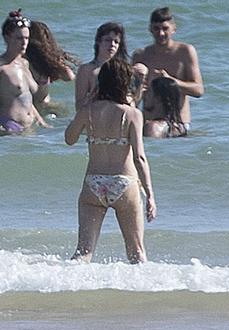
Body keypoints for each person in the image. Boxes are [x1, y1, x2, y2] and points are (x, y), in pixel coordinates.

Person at [65, 58, 156, 264]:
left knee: (83, 252)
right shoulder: (132, 114)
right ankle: (142, 292)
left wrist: (86, 104)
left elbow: (69, 139)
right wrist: (150, 195)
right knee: (136, 252)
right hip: (124, 183)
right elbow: (139, 157)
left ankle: (65, 285)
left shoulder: (88, 111)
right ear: (125, 82)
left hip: (93, 184)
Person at [131, 7, 203, 138]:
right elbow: (131, 97)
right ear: (150, 29)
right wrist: (140, 86)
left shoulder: (185, 52)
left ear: (173, 28)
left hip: (177, 123)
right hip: (148, 122)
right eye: (156, 29)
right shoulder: (140, 56)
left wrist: (172, 82)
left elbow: (198, 90)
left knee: (152, 130)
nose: (161, 33)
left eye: (165, 28)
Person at [0, 10, 48, 135]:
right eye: (19, 38)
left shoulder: (25, 63)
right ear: (7, 37)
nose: (24, 42)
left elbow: (25, 98)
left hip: (29, 126)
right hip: (9, 125)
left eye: (27, 38)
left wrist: (41, 121)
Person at [73, 22, 146, 111]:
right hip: (97, 116)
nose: (112, 44)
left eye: (116, 42)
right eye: (108, 40)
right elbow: (79, 105)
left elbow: (134, 103)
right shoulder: (87, 70)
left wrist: (141, 80)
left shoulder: (123, 70)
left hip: (120, 117)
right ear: (98, 41)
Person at [23, 19, 76, 113]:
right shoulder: (31, 61)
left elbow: (69, 76)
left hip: (28, 108)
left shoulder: (24, 60)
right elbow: (69, 76)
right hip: (42, 105)